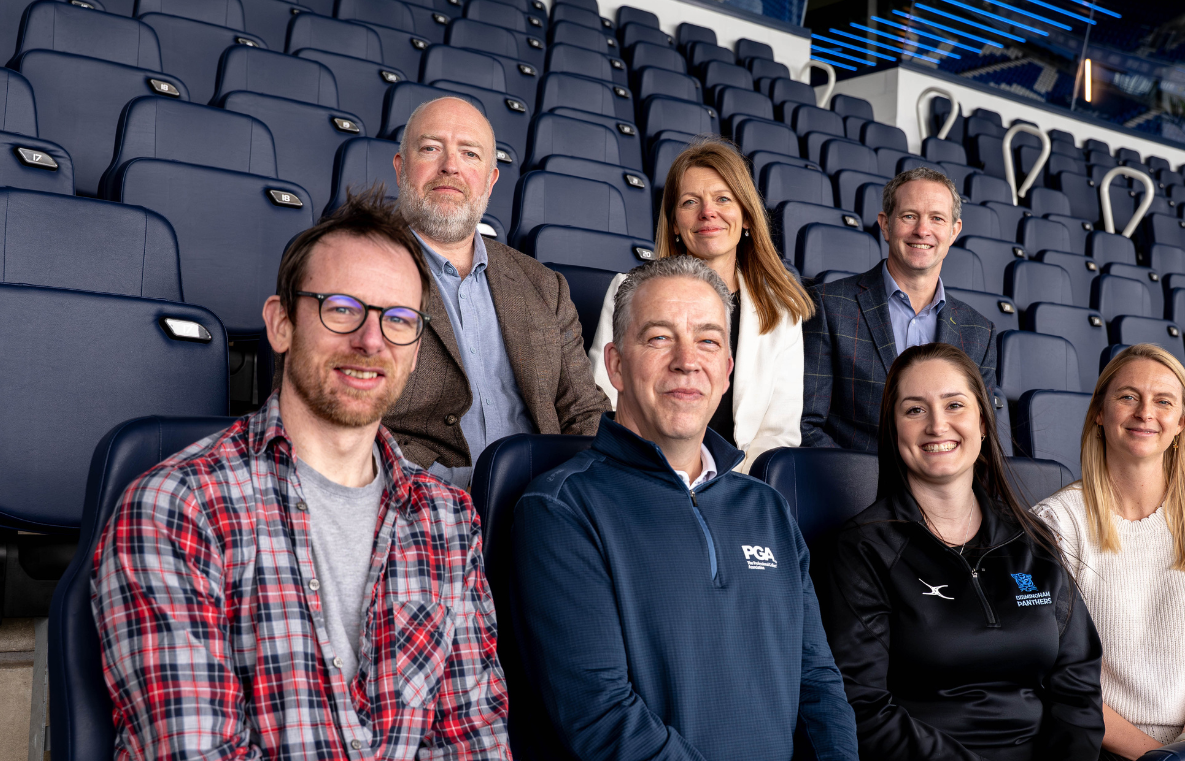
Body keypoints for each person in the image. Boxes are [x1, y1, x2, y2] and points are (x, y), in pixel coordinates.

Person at [93, 192, 510, 760]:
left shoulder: (449, 520)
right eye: (342, 308)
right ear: (282, 324)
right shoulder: (178, 507)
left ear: (415, 352)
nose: (370, 341)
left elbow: (473, 741)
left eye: (398, 319)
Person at [511, 255, 860, 761]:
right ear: (615, 365)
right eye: (658, 338)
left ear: (726, 371)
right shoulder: (561, 508)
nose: (686, 360)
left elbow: (818, 685)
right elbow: (601, 717)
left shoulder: (768, 508)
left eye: (708, 341)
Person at [823, 342, 1103, 761]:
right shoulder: (863, 549)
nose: (938, 425)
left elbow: (1078, 684)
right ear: (894, 429)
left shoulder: (1033, 540)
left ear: (983, 423)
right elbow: (861, 707)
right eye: (915, 410)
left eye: (955, 405)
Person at [1033, 344, 1185, 760]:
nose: (1145, 413)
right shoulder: (1054, 524)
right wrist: (1154, 757)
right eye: (1127, 397)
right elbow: (1057, 676)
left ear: (1181, 424)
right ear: (1099, 414)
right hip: (1098, 744)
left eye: (1163, 401)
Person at [384, 96, 608, 487]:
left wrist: (586, 496)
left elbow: (584, 412)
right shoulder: (353, 268)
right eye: (431, 148)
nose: (450, 166)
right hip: (415, 504)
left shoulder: (544, 285)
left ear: (490, 180)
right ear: (402, 169)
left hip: (542, 504)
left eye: (469, 154)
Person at [587, 138, 813, 472]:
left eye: (723, 199)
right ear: (675, 224)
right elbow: (604, 397)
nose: (708, 212)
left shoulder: (783, 311)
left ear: (747, 217)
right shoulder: (628, 290)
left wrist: (733, 491)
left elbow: (777, 434)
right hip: (640, 471)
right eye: (691, 202)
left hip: (738, 485)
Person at [803, 166, 996, 452]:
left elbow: (981, 436)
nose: (922, 230)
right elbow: (806, 423)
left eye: (937, 219)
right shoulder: (828, 305)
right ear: (885, 224)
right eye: (909, 216)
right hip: (851, 488)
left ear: (954, 231)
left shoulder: (979, 331)